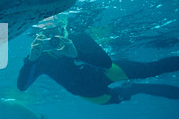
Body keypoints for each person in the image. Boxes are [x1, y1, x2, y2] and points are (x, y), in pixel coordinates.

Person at [17, 23, 179, 105]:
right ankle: (135, 88)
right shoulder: (39, 58)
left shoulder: (78, 39)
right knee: (119, 98)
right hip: (91, 94)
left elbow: (106, 63)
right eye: (45, 36)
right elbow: (22, 87)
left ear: (63, 31)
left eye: (56, 34)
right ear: (38, 39)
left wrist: (77, 53)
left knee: (150, 69)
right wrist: (30, 61)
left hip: (106, 72)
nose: (53, 41)